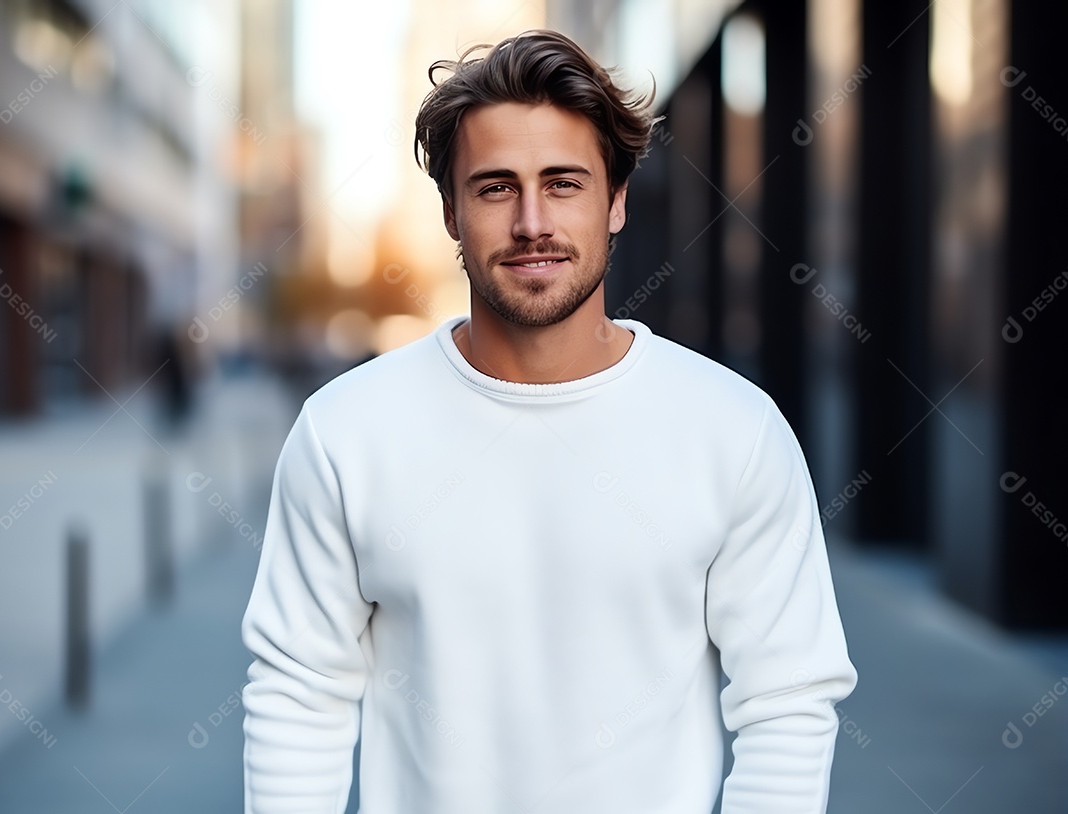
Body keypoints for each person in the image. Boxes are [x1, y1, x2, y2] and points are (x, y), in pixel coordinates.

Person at [241, 29, 857, 814]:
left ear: (618, 200)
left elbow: (789, 699)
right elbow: (300, 694)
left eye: (563, 183)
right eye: (496, 187)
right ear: (452, 213)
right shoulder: (344, 435)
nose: (533, 221)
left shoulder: (732, 431)